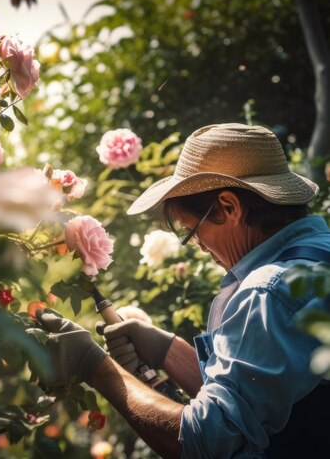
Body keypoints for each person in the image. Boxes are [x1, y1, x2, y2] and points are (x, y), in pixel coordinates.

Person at [37, 123, 330, 458]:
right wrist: (166, 351)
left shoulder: (270, 292)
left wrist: (95, 367)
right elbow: (253, 393)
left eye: (193, 231)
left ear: (229, 207)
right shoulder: (318, 256)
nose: (201, 248)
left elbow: (205, 442)